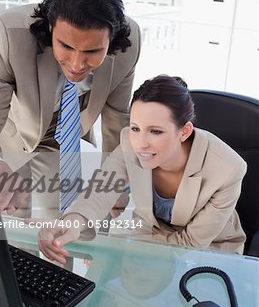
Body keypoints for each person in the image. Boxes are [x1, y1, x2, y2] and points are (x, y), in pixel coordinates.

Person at [0, 0, 140, 217]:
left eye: (93, 51)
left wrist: (116, 180)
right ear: (50, 26)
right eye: (66, 46)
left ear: (112, 40)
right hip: (12, 134)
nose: (77, 65)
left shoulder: (130, 44)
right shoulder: (6, 34)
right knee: (7, 227)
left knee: (57, 231)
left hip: (62, 138)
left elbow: (117, 121)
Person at [37, 75, 247, 261]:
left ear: (184, 132)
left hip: (211, 252)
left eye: (155, 131)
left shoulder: (228, 169)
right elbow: (101, 191)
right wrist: (73, 222)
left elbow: (191, 243)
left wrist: (126, 246)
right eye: (136, 128)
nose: (141, 143)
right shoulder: (130, 143)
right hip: (148, 240)